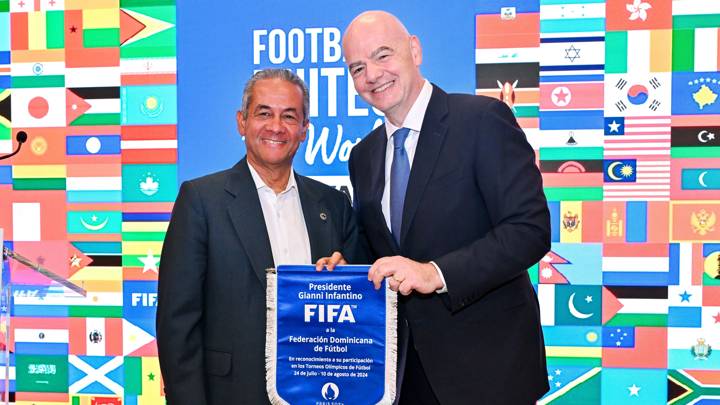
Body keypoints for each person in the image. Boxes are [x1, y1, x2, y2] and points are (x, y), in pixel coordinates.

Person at [341, 10, 551, 404]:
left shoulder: (482, 120)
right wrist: (343, 268)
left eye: (383, 55)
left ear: (415, 50)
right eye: (357, 67)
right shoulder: (363, 156)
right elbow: (382, 252)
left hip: (489, 370)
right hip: (404, 375)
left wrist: (435, 273)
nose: (372, 74)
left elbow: (529, 229)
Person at [156, 68, 367, 405]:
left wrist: (347, 278)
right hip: (230, 393)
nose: (275, 127)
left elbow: (361, 313)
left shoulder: (334, 205)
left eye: (289, 117)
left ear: (304, 131)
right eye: (264, 113)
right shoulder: (201, 200)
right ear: (242, 122)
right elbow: (177, 323)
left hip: (318, 393)